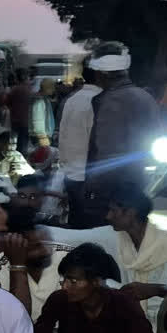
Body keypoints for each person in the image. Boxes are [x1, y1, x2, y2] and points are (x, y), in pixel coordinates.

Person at [83, 42, 161, 224]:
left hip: (112, 188)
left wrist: (93, 185)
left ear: (102, 73)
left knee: (106, 242)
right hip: (138, 180)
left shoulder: (111, 101)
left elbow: (109, 152)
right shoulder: (145, 97)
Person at [107, 187, 167, 327]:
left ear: (131, 213)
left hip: (166, 321)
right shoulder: (120, 238)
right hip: (133, 318)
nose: (108, 216)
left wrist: (156, 289)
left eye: (114, 211)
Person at [0, 211, 69, 321]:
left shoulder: (69, 257)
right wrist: (17, 266)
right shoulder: (2, 264)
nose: (45, 251)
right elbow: (17, 319)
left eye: (47, 243)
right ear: (17, 246)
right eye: (36, 247)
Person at [58, 59, 101, 228]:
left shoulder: (73, 99)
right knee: (91, 226)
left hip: (72, 173)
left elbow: (63, 136)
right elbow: (97, 143)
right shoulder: (99, 100)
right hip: (89, 176)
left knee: (76, 222)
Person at [7, 68, 32, 154]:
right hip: (26, 120)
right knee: (23, 142)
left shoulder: (14, 90)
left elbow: (7, 102)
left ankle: (17, 156)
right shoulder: (28, 89)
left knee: (16, 142)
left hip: (15, 119)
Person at [30, 78, 57, 148]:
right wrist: (42, 137)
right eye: (53, 87)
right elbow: (37, 120)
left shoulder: (43, 99)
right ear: (48, 88)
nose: (54, 90)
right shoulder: (39, 101)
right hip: (40, 137)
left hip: (41, 135)